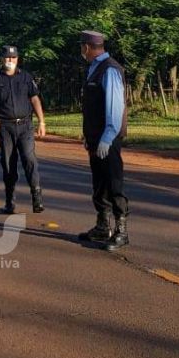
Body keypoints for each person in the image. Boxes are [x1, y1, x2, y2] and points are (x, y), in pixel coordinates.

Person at [76, 31, 130, 251]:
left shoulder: (109, 69)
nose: (81, 50)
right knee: (99, 184)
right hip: (95, 138)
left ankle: (121, 230)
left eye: (82, 46)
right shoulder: (94, 68)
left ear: (87, 47)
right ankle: (102, 226)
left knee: (113, 182)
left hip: (108, 139)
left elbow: (114, 108)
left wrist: (107, 138)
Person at [0, 45, 46, 214]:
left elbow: (35, 99)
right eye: (7, 58)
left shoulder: (25, 77)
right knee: (8, 164)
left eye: (13, 58)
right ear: (2, 59)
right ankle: (10, 200)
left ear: (17, 59)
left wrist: (42, 122)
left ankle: (36, 196)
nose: (10, 60)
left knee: (29, 159)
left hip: (25, 125)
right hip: (5, 127)